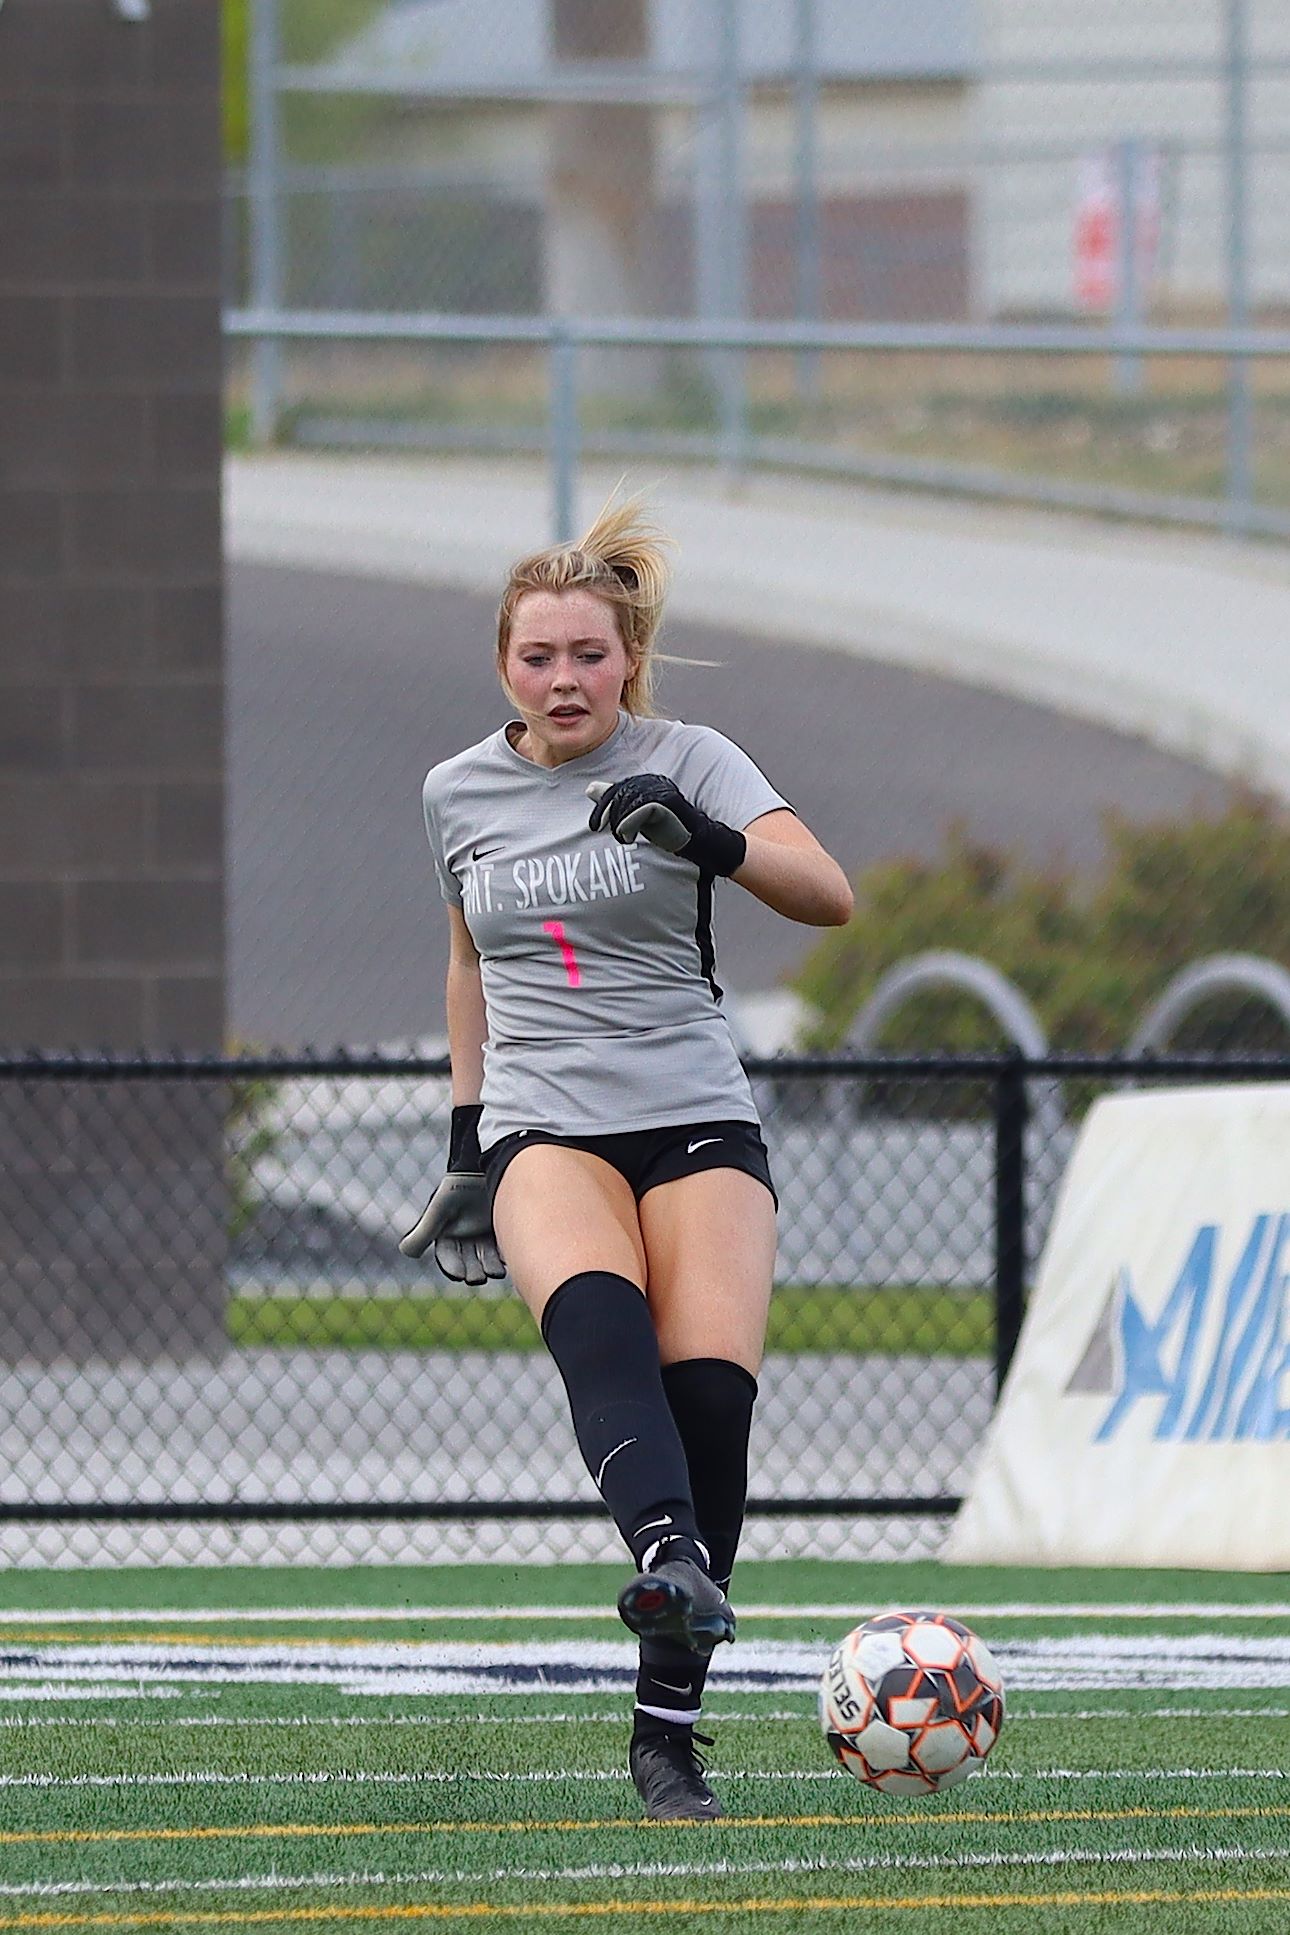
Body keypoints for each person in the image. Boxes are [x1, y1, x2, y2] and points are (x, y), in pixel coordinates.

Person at [401, 494, 853, 1821]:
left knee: (708, 1404)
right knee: (601, 1338)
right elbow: (464, 960)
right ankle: (664, 1557)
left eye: (586, 655)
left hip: (693, 1111)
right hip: (547, 1123)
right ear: (503, 667)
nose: (561, 678)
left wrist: (701, 836)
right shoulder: (455, 791)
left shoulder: (692, 755)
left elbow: (827, 896)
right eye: (536, 657)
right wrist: (463, 1141)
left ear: (627, 659)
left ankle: (665, 1732)